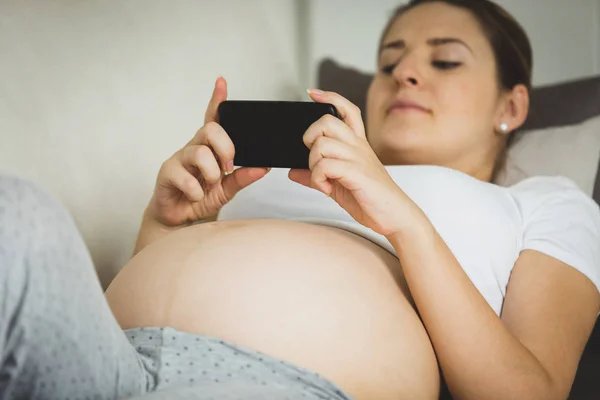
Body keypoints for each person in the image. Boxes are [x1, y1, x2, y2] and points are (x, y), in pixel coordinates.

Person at [1, 0, 599, 399]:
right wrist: (167, 226)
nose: (404, 72)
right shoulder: (292, 169)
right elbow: (154, 288)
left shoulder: (544, 203)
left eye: (443, 60)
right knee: (17, 216)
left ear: (511, 107)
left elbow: (532, 391)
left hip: (283, 385)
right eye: (389, 61)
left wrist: (404, 223)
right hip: (108, 363)